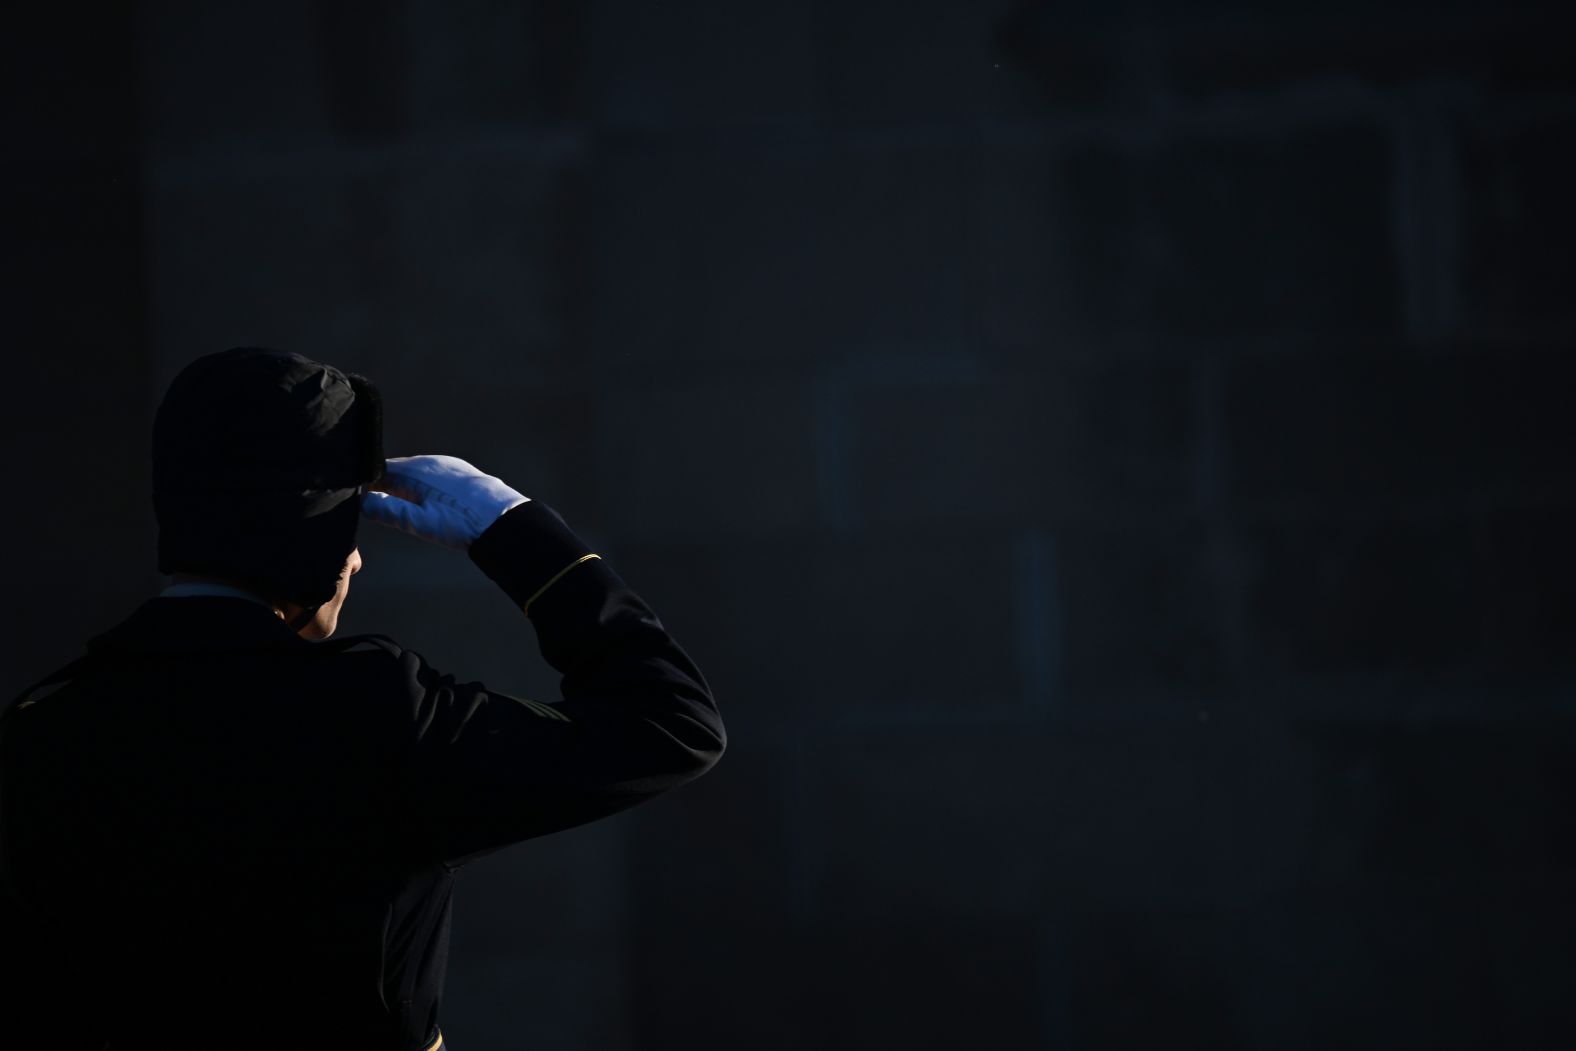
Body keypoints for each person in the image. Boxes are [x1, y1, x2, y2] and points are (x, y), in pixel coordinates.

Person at [0, 347, 725, 1050]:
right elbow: (671, 722)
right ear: (314, 546)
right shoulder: (377, 714)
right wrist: (517, 533)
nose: (356, 556)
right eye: (346, 525)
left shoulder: (41, 725)